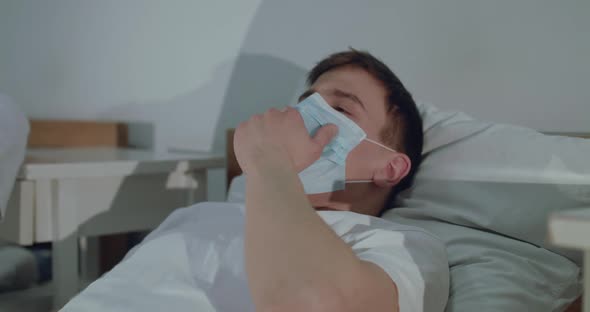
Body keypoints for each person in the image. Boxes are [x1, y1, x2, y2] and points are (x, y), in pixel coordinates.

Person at [61, 50, 449, 312]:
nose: (304, 116)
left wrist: (269, 161)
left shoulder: (402, 246)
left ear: (390, 167)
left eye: (340, 107)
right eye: (306, 102)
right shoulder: (199, 215)